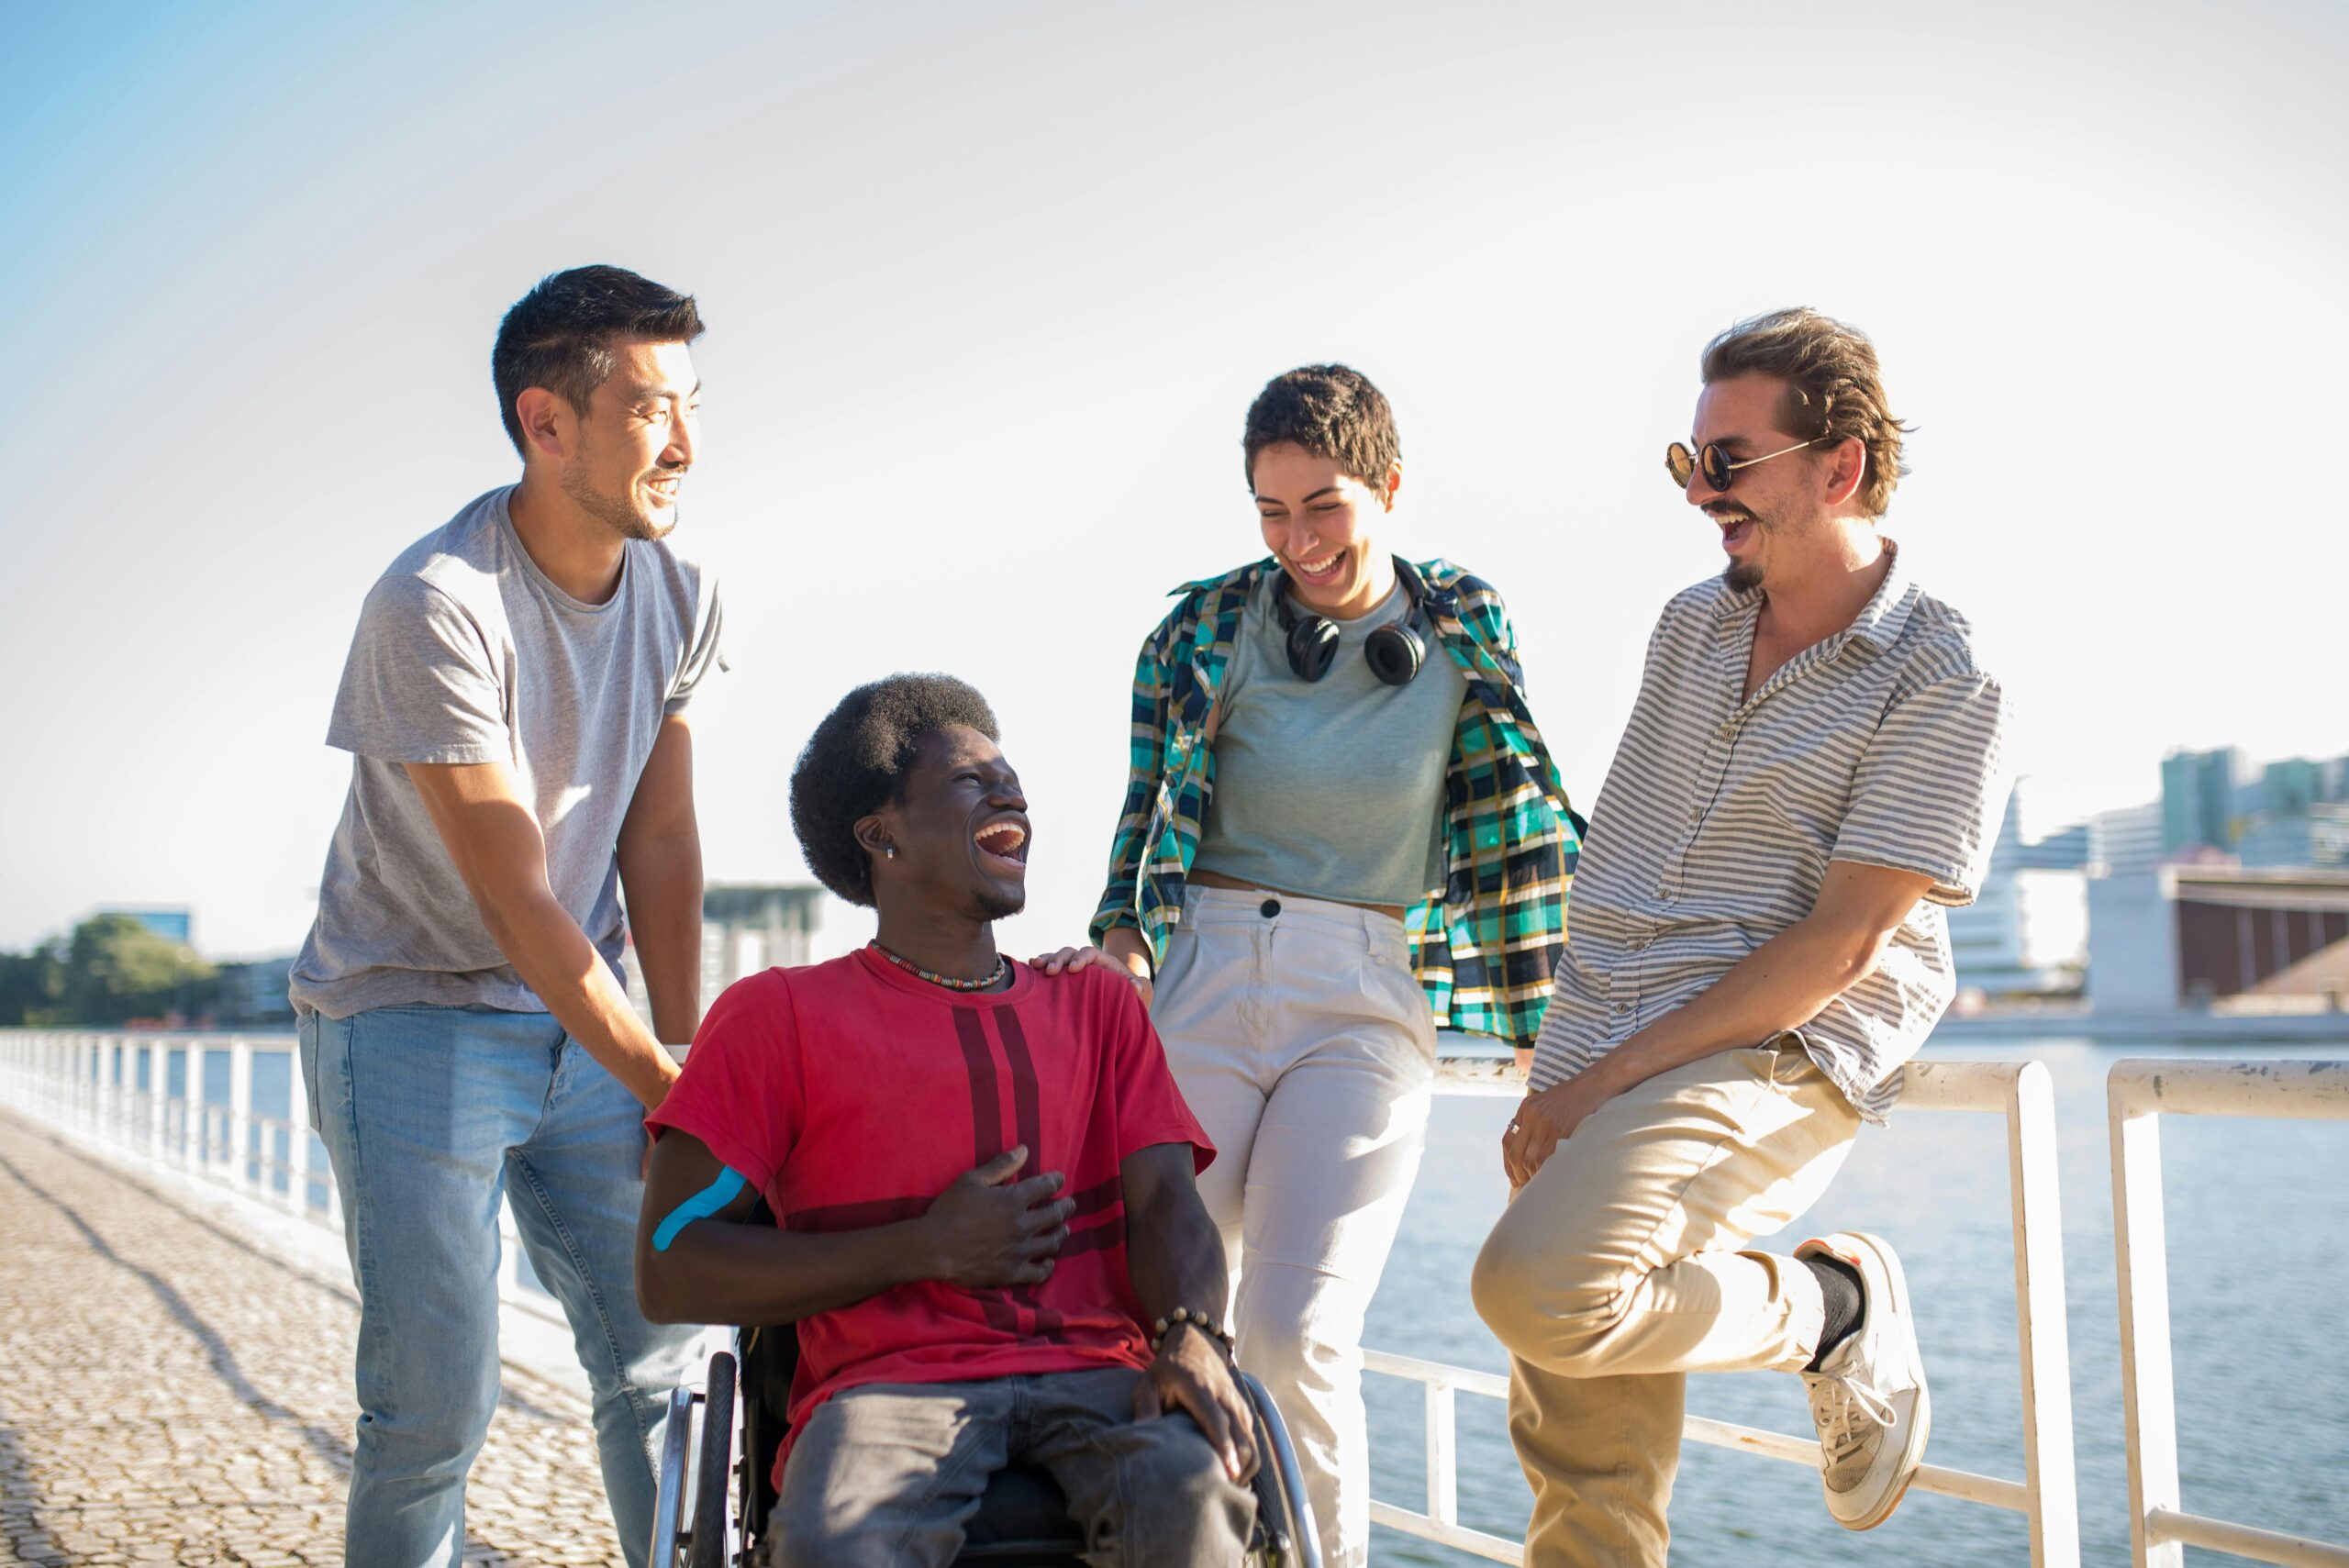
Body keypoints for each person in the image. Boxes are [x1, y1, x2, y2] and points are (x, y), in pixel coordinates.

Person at [1470, 308, 2010, 1566]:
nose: (1704, 493)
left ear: (1841, 466)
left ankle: (1829, 1308)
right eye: (1690, 461)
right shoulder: (1689, 627)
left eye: (1731, 462)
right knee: (1578, 1447)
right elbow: (1630, 866)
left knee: (1541, 1290)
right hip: (1603, 1021)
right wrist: (1569, 1047)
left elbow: (1841, 947)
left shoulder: (1942, 671)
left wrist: (1606, 1079)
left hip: (1773, 1047)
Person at [1039, 364, 1580, 1567]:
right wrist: (1120, 943)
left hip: (1367, 991)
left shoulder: (1465, 625)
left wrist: (1556, 1034)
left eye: (1324, 507)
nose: (1299, 542)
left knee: (1298, 1331)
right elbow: (1148, 821)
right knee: (1168, 1315)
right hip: (1208, 979)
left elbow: (1520, 826)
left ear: (1390, 486)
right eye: (1272, 513)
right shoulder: (1204, 630)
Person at [288, 264, 724, 1568]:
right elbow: (514, 884)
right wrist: (654, 1070)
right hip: (408, 1011)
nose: (689, 445)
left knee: (667, 1370)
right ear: (549, 423)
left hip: (579, 1016)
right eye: (654, 409)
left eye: (696, 407)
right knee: (433, 1404)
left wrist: (686, 1061)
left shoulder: (681, 594)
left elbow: (660, 837)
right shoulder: (435, 604)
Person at [636, 674, 1258, 1568]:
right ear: (881, 832)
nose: (1012, 793)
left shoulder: (1096, 1007)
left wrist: (1193, 1332)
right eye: (973, 780)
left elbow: (1166, 1204)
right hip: (885, 1388)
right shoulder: (777, 1016)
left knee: (1196, 1505)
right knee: (828, 1543)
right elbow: (669, 1264)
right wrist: (922, 1246)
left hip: (1100, 1373)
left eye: (1009, 775)